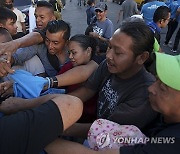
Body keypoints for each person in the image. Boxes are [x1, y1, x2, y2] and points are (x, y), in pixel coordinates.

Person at [45, 52, 180, 154]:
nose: (151, 89)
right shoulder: (163, 119)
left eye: (162, 88)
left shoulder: (170, 143)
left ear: (141, 58)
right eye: (157, 81)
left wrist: (35, 133)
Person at [60, 20, 158, 139]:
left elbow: (108, 130)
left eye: (118, 52)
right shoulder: (109, 65)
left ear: (142, 57)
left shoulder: (144, 92)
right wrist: (57, 105)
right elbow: (87, 90)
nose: (108, 55)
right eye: (109, 47)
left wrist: (59, 128)